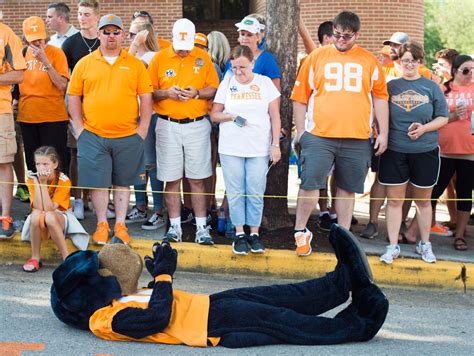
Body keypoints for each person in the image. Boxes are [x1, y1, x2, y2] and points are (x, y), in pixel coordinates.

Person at [51, 224, 389, 348]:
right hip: (215, 325)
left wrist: (157, 278)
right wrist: (166, 276)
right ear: (87, 294)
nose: (111, 270)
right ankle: (360, 323)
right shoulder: (103, 321)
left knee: (284, 296)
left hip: (210, 306)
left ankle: (344, 280)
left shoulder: (118, 300)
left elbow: (154, 304)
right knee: (289, 322)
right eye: (104, 270)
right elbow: (154, 320)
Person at [291, 11, 389, 256]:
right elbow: (300, 98)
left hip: (357, 135)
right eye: (337, 35)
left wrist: (383, 132)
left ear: (356, 34)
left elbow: (380, 98)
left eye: (347, 36)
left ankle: (343, 236)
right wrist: (302, 131)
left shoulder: (368, 60)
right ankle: (300, 232)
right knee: (311, 183)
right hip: (319, 134)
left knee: (347, 187)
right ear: (332, 31)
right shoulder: (315, 57)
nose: (341, 40)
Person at [68, 14, 153, 245]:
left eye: (116, 32)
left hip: (128, 135)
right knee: (98, 182)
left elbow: (146, 97)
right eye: (106, 31)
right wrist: (79, 127)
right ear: (99, 34)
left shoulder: (135, 64)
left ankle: (121, 225)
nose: (111, 36)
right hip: (93, 135)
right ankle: (102, 224)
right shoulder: (84, 63)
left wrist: (143, 129)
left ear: (124, 35)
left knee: (123, 182)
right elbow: (74, 95)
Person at [147, 18, 219, 245]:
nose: (183, 50)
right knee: (172, 179)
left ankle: (201, 228)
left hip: (197, 124)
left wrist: (197, 92)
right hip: (167, 124)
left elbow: (214, 88)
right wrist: (167, 93)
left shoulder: (203, 57)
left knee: (198, 179)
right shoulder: (159, 58)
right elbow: (149, 91)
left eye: (187, 46)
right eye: (179, 44)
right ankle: (175, 227)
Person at [378, 42, 449, 264]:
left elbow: (443, 117)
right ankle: (392, 246)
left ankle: (424, 244)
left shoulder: (431, 87)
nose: (409, 64)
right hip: (395, 150)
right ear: (399, 62)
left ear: (420, 62)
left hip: (425, 149)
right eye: (404, 60)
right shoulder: (390, 87)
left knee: (424, 201)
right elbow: (380, 114)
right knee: (395, 201)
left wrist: (424, 128)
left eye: (413, 60)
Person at [211, 45, 281, 255]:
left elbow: (275, 116)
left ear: (252, 63)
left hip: (258, 147)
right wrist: (231, 116)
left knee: (255, 189)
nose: (238, 72)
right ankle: (240, 233)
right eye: (234, 67)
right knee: (235, 191)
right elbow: (215, 114)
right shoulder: (228, 82)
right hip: (231, 146)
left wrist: (275, 144)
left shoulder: (265, 83)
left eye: (242, 67)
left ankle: (254, 233)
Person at [425, 55, 473, 251]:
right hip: (443, 150)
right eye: (465, 70)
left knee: (464, 193)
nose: (470, 73)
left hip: (469, 151)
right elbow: (433, 116)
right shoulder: (443, 89)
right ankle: (426, 228)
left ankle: (460, 235)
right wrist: (452, 116)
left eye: (473, 69)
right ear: (455, 70)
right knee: (433, 191)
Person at [61, 0, 101, 221]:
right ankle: (78, 200)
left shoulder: (105, 40)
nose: (81, 18)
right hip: (77, 107)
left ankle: (99, 199)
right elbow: (64, 80)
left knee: (101, 155)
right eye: (79, 14)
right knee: (77, 154)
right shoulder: (70, 44)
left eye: (86, 14)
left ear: (97, 16)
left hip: (102, 108)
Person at [125, 22, 166, 231]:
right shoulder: (129, 56)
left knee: (151, 164)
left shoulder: (153, 57)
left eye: (133, 34)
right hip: (131, 116)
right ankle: (140, 205)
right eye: (130, 33)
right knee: (136, 164)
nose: (130, 37)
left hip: (149, 116)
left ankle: (158, 210)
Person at [17, 16, 69, 174]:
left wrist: (45, 62)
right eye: (33, 40)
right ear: (26, 39)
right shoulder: (22, 54)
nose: (38, 43)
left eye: (40, 38)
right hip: (28, 116)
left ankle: (56, 198)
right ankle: (37, 198)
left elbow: (62, 85)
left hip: (53, 117)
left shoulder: (56, 53)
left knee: (54, 164)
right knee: (33, 165)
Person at [22, 146, 71, 272]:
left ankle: (67, 258)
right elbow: (38, 207)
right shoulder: (31, 178)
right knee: (36, 214)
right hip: (40, 215)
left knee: (48, 216)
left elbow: (50, 209)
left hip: (59, 215)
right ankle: (35, 257)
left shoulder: (64, 180)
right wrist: (38, 182)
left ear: (55, 164)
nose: (41, 168)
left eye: (45, 164)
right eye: (38, 164)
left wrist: (42, 183)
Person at [0, 17, 26, 238]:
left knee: (3, 163)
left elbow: (19, 74)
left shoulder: (6, 34)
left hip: (1, 110)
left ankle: (5, 219)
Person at [225, 16, 281, 91]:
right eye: (242, 34)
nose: (245, 38)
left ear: (258, 37)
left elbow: (275, 89)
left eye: (249, 35)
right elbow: (225, 85)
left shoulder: (267, 59)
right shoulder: (232, 58)